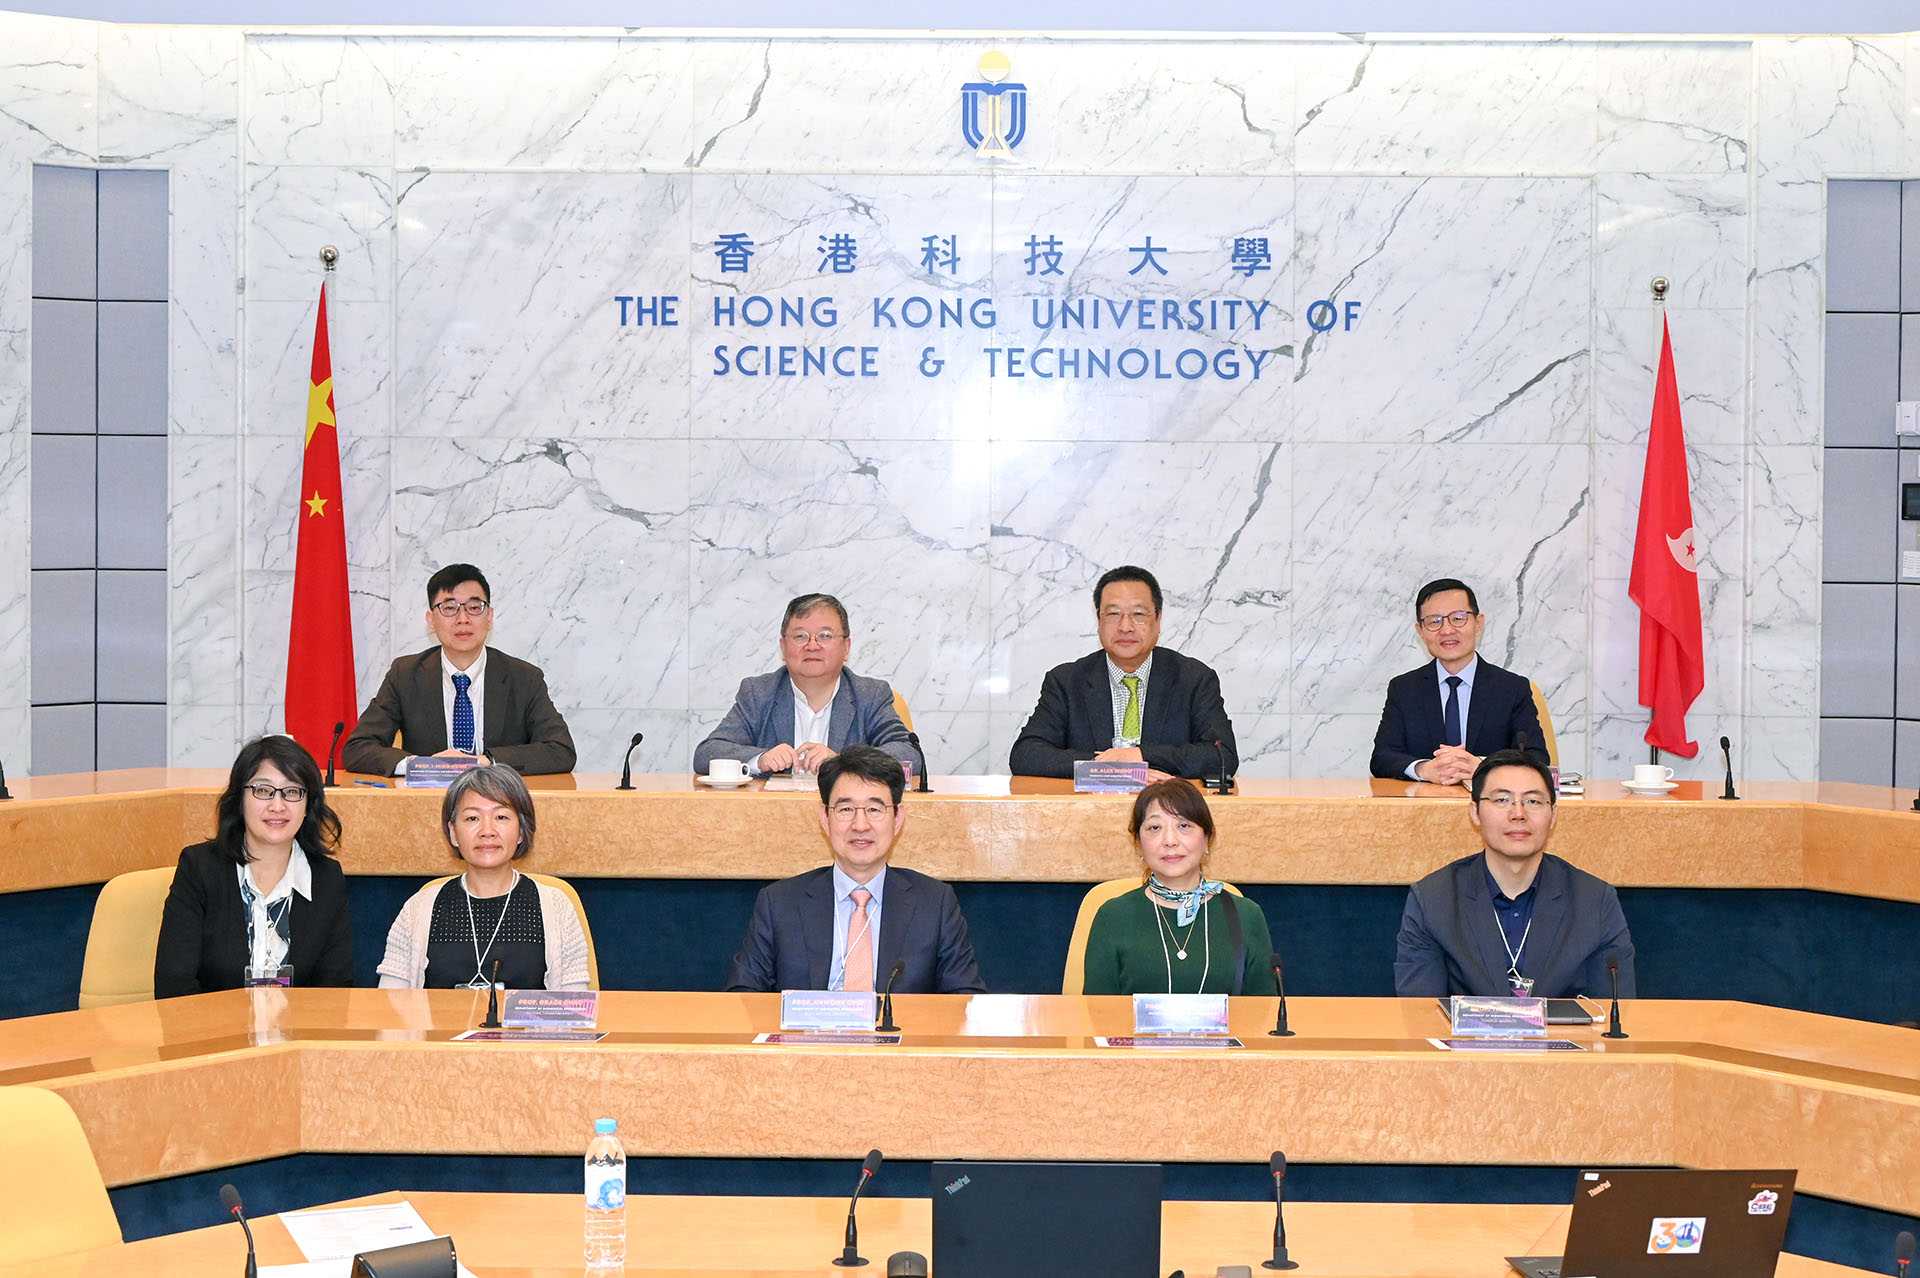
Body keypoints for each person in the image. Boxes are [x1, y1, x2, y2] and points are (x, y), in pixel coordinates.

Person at [724, 745, 985, 993]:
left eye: (874, 809)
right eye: (846, 809)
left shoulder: (935, 904)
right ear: (825, 818)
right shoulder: (779, 903)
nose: (860, 825)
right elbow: (743, 996)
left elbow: (964, 1001)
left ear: (898, 819)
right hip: (806, 1040)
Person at [1393, 750, 1636, 999]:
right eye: (1502, 800)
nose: (1518, 813)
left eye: (1532, 801)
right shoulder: (1434, 900)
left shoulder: (1594, 901)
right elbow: (1420, 1017)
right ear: (1475, 813)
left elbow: (1613, 1017)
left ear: (1553, 816)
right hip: (1465, 1039)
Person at [154, 736, 354, 997]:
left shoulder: (326, 879)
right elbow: (174, 988)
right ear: (240, 799)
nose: (277, 805)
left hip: (298, 1036)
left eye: (292, 792)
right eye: (263, 790)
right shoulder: (199, 869)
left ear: (308, 806)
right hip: (213, 1035)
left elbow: (335, 993)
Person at [343, 563, 577, 777]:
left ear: (489, 617)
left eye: (474, 607)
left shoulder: (524, 678)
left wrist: (486, 762)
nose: (463, 618)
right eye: (449, 608)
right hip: (427, 805)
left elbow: (560, 750)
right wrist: (420, 764)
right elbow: (357, 748)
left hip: (498, 803)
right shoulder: (405, 675)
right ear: (431, 621)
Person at [1008, 566, 1237, 780]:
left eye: (1138, 614)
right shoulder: (1066, 681)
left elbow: (1222, 755)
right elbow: (1026, 755)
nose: (1125, 626)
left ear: (1158, 619)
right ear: (1098, 619)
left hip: (1167, 816)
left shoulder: (1193, 679)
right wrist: (1110, 768)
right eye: (1113, 614)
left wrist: (1140, 756)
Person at [377, 764, 591, 990]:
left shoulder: (557, 908)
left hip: (532, 1028)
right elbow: (390, 1011)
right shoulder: (418, 908)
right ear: (453, 833)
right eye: (472, 818)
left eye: (501, 816)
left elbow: (573, 1010)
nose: (487, 830)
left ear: (521, 830)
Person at [1081, 779, 1278, 996]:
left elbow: (1262, 1017)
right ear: (1138, 843)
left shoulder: (1247, 915)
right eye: (1155, 828)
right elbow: (1099, 1017)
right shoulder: (1112, 916)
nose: (1170, 841)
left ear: (1206, 839)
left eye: (1184, 826)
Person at [694, 593, 916, 776]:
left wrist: (843, 762)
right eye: (800, 636)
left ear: (846, 648)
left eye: (825, 636)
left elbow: (909, 754)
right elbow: (706, 754)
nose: (812, 645)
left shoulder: (870, 695)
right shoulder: (758, 693)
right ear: (783, 647)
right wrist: (760, 760)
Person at [1369, 577, 1546, 784]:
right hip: (1423, 809)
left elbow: (1537, 757)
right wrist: (1424, 769)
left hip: (1493, 809)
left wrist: (1482, 767)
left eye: (1458, 618)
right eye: (1434, 621)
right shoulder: (1404, 689)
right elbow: (1382, 757)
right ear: (1421, 632)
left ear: (1478, 624)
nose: (1446, 630)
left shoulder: (1512, 688)